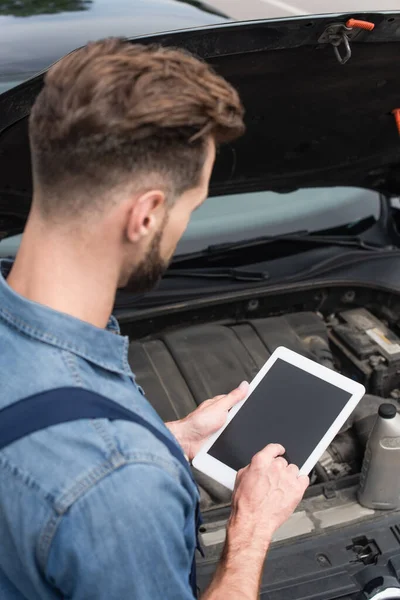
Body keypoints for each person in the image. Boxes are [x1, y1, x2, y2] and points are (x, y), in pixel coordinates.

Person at [0, 38, 309, 599]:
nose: (184, 226)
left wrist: (175, 439)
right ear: (145, 215)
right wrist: (252, 528)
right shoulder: (121, 483)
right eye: (190, 208)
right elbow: (93, 483)